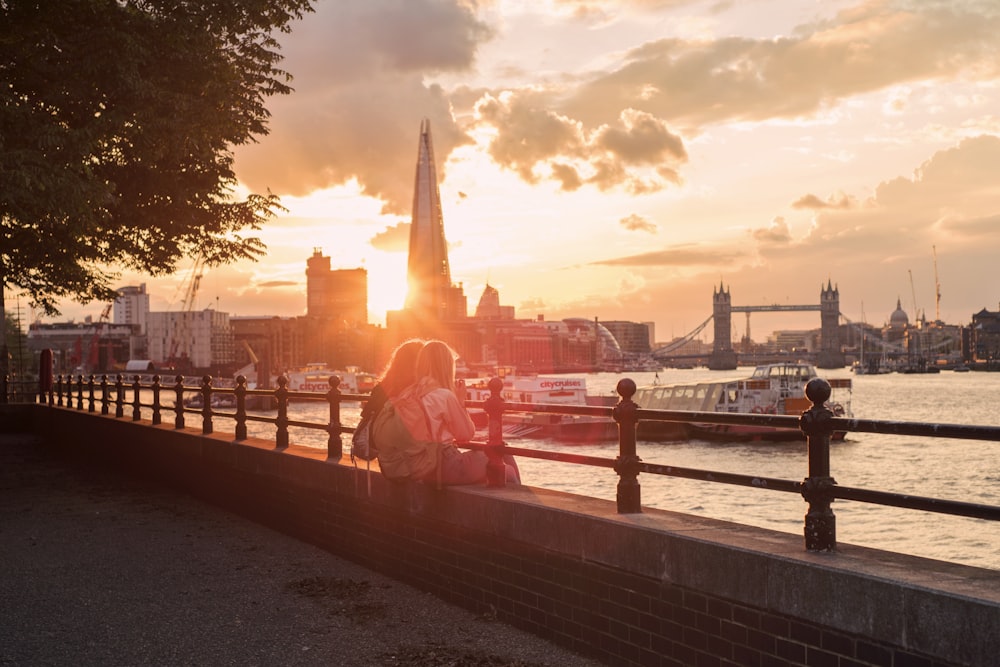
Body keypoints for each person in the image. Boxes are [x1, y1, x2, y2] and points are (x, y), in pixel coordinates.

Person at [401, 340, 520, 486]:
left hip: (418, 466)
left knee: (498, 456)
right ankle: (524, 501)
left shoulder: (408, 394)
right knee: (503, 454)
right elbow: (466, 434)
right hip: (444, 466)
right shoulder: (444, 395)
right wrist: (460, 403)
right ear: (446, 366)